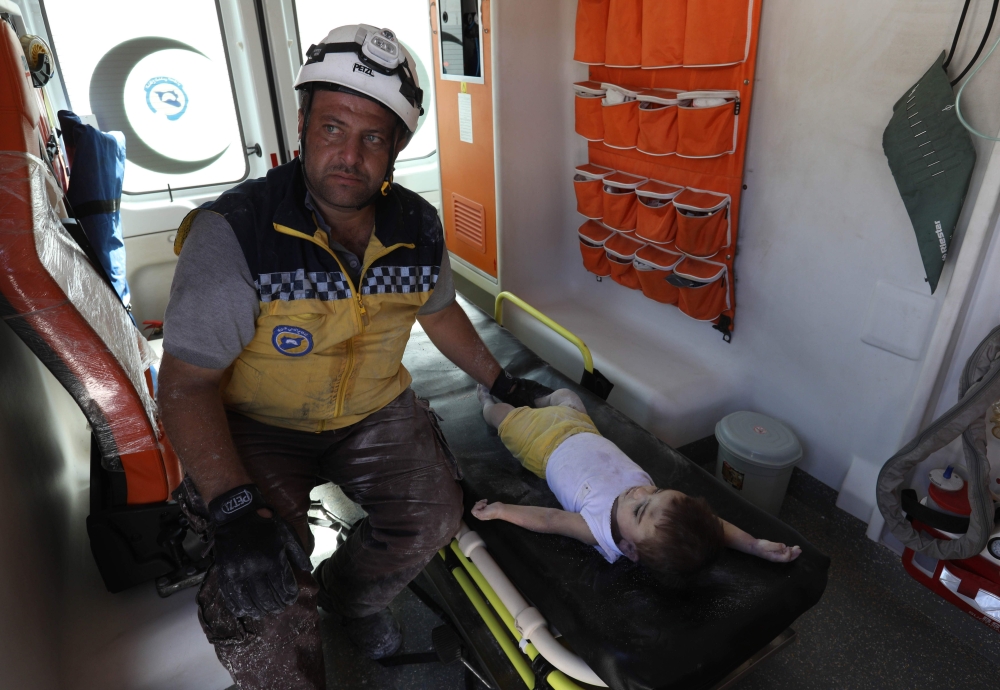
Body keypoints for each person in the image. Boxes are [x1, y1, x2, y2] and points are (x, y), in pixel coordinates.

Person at [156, 24, 551, 690]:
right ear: (303, 126)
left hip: (372, 409)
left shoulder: (417, 227)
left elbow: (439, 309)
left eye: (374, 138)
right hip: (259, 423)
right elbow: (187, 382)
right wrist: (229, 511)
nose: (350, 155)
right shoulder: (236, 234)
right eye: (332, 128)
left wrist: (502, 380)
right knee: (263, 588)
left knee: (432, 516)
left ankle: (351, 597)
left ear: (396, 149)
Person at [472, 386, 802, 575]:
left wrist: (502, 510)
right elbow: (711, 526)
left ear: (629, 549)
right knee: (566, 395)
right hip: (583, 427)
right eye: (656, 490)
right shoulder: (654, 514)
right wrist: (754, 545)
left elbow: (548, 519)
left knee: (502, 416)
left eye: (640, 509)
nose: (640, 491)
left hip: (540, 446)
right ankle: (543, 401)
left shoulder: (598, 529)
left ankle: (485, 402)